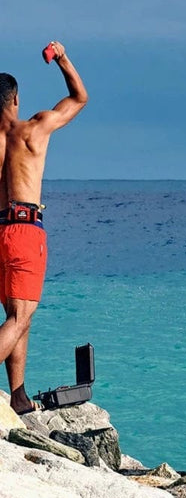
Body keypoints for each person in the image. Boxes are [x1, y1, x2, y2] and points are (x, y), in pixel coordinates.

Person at [0, 41, 87, 414]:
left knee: (17, 316)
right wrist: (62, 57)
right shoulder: (31, 129)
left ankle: (18, 396)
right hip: (23, 232)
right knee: (20, 317)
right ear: (14, 100)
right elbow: (79, 98)